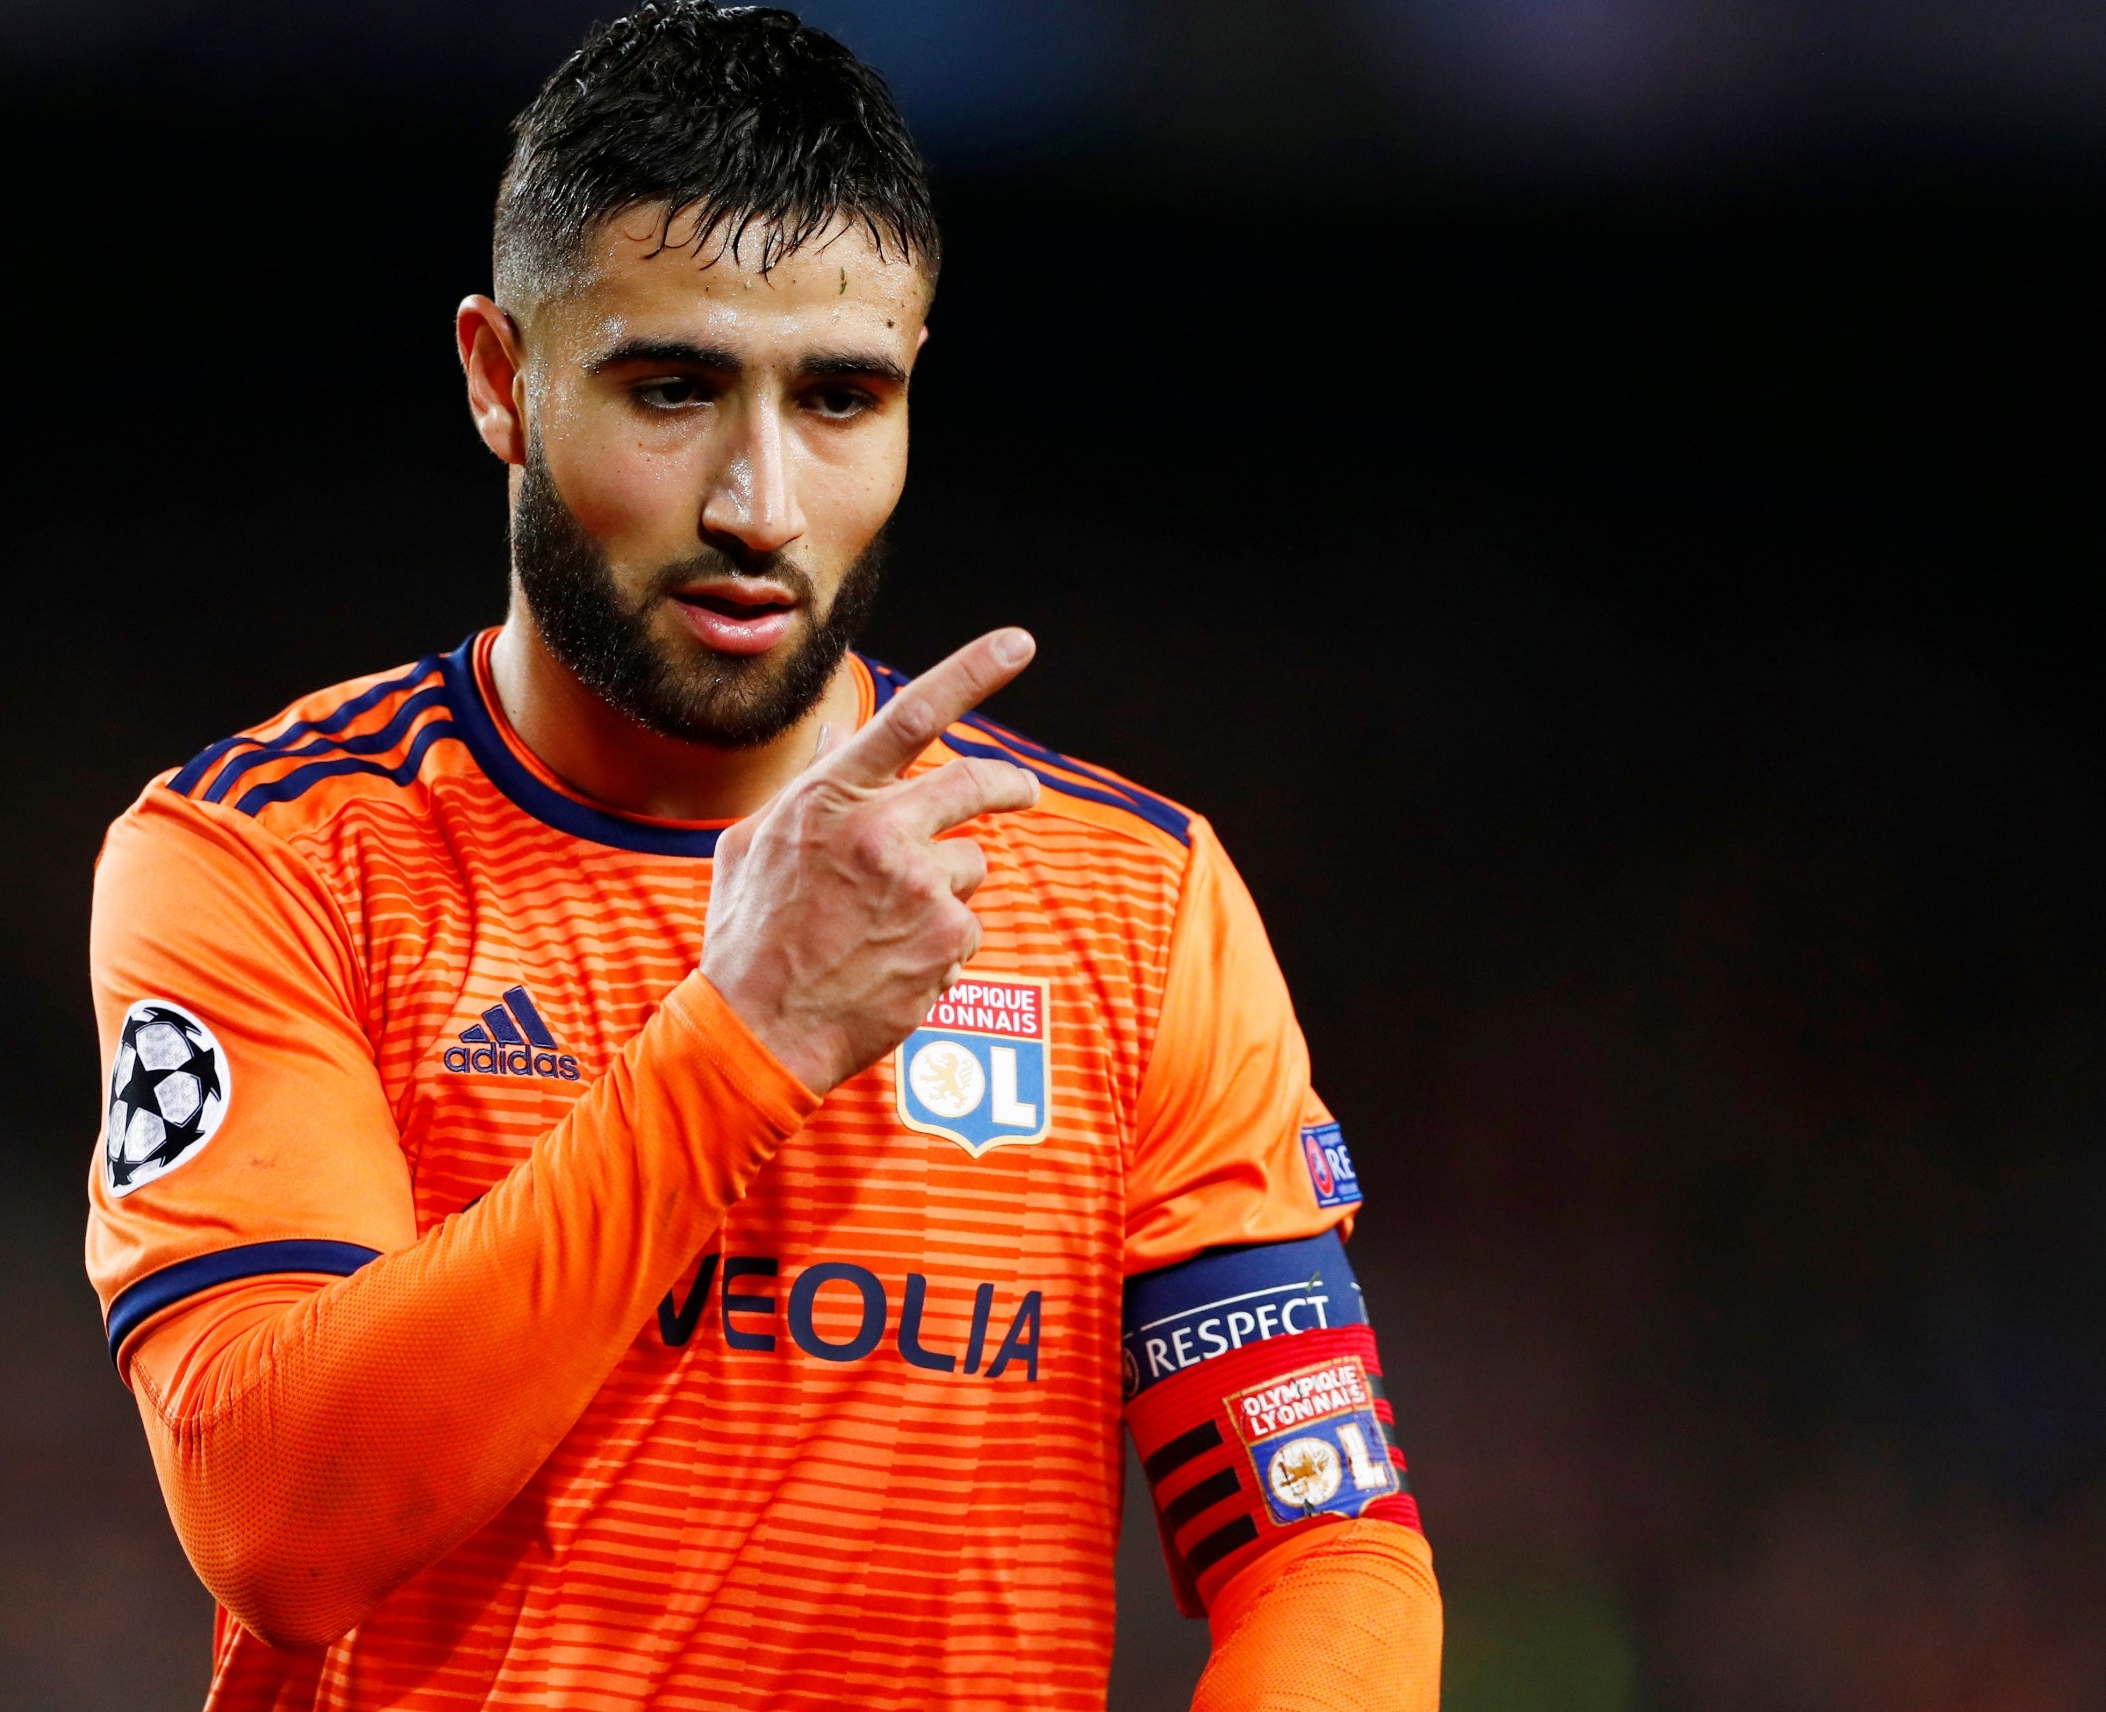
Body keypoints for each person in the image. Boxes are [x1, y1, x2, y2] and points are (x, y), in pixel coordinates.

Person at [83, 5, 1441, 1707]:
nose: (762, 505)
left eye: (841, 398)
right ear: (502, 381)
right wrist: (748, 1040)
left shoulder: (1129, 896)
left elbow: (1321, 1545)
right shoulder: (275, 857)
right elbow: (284, 1526)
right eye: (674, 388)